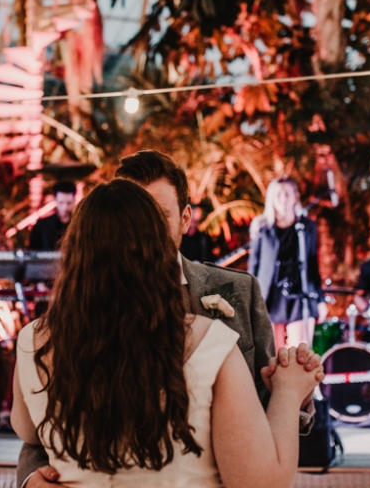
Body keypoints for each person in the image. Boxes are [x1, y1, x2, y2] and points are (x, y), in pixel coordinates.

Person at [17, 150, 322, 488]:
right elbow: (40, 433)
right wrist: (30, 479)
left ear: (185, 218)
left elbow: (259, 404)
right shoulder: (209, 340)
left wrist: (294, 395)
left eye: (158, 215)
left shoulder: (237, 290)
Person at [248, 178, 327, 350]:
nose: (282, 198)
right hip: (270, 296)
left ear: (295, 197)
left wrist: (320, 300)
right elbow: (254, 266)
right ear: (271, 199)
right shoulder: (262, 228)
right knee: (271, 356)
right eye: (278, 194)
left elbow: (313, 265)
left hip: (299, 295)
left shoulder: (306, 227)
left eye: (287, 193)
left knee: (301, 353)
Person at [28, 181, 77, 250]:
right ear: (55, 200)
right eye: (61, 202)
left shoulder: (79, 226)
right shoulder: (41, 226)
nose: (65, 207)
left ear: (74, 201)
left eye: (69, 203)